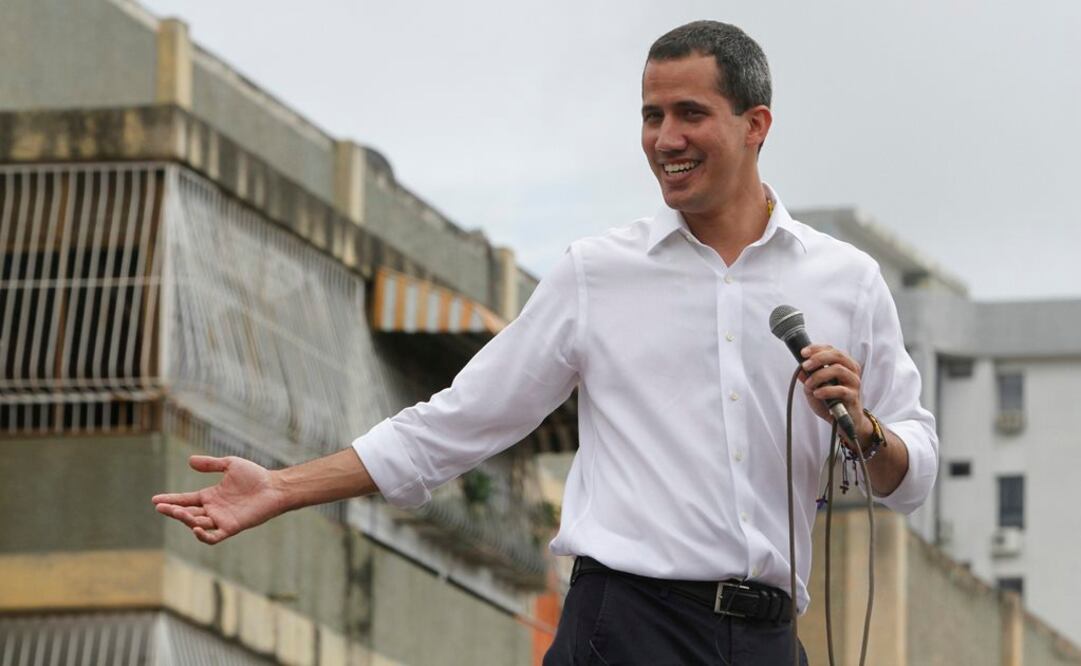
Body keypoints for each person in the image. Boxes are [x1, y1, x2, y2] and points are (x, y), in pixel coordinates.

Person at [153, 20, 938, 665]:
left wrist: (865, 432)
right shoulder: (598, 273)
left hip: (769, 639)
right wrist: (284, 487)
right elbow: (461, 420)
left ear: (754, 124)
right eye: (649, 115)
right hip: (626, 627)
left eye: (689, 114)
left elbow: (910, 473)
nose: (665, 138)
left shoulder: (846, 281)